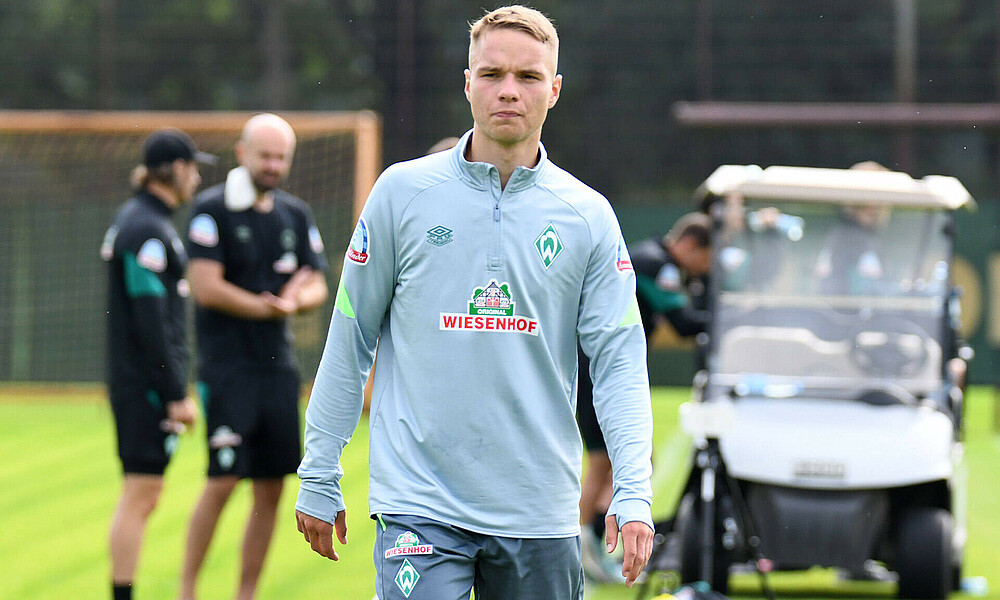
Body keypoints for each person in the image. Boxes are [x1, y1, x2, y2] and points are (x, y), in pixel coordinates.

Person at [295, 5, 654, 599]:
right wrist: (318, 472)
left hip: (539, 508)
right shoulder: (401, 194)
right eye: (491, 75)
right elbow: (350, 337)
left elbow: (618, 361)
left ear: (554, 90)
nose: (508, 91)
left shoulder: (588, 216)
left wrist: (633, 489)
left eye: (529, 77)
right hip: (420, 502)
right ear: (467, 84)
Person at [179, 113, 329, 600]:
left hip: (278, 370)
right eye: (264, 155)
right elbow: (205, 287)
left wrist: (296, 301)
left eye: (281, 156)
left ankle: (246, 594)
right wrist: (266, 308)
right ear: (242, 154)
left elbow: (318, 282)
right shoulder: (211, 209)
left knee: (271, 488)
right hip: (227, 368)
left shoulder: (296, 214)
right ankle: (186, 590)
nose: (273, 165)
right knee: (223, 481)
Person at [102, 128, 213, 600]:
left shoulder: (146, 221)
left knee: (144, 495)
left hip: (141, 383)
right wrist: (173, 393)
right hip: (143, 387)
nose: (199, 176)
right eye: (194, 166)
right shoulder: (145, 228)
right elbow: (149, 321)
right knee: (140, 494)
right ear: (176, 169)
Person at [577, 212, 712, 582]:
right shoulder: (656, 264)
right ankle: (578, 545)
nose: (703, 270)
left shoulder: (648, 257)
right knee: (603, 461)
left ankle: (590, 538)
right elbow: (683, 323)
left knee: (631, 458)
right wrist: (729, 315)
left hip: (593, 366)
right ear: (689, 245)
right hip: (598, 370)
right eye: (705, 259)